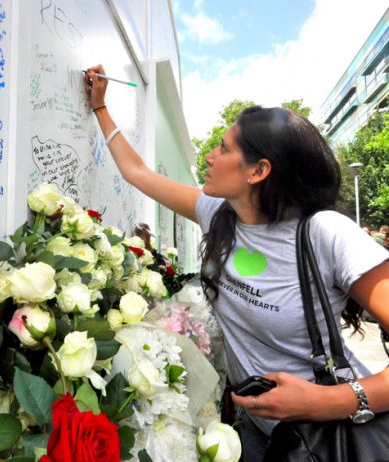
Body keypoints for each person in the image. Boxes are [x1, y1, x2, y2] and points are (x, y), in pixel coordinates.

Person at [84, 65, 389, 461]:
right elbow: (137, 172)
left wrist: (321, 401)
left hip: (332, 437)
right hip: (255, 436)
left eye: (225, 149)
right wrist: (101, 106)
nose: (210, 155)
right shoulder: (217, 213)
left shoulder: (326, 235)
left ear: (259, 171)